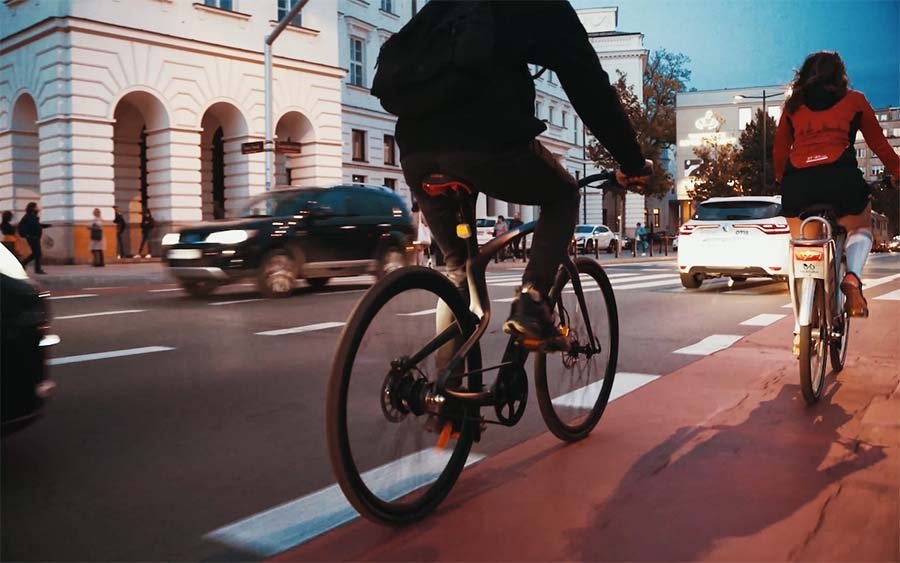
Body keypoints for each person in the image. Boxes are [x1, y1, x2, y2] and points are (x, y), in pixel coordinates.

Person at [395, 1, 651, 348]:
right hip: (487, 140)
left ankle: (446, 395)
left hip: (415, 149)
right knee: (563, 194)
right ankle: (532, 300)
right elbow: (590, 88)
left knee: (458, 272)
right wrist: (632, 162)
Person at [774, 51, 899, 325]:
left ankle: (800, 325)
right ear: (841, 75)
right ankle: (852, 278)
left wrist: (784, 180)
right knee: (861, 227)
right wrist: (898, 171)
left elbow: (780, 150)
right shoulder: (855, 101)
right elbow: (879, 145)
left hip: (798, 184)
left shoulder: (793, 106)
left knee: (803, 243)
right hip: (840, 181)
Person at [18, 202, 49, 274]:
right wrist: (26, 235)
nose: (38, 208)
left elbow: (36, 226)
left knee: (35, 254)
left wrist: (46, 226)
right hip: (32, 237)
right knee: (38, 253)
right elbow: (24, 227)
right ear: (32, 208)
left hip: (35, 237)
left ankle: (23, 263)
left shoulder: (32, 216)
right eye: (36, 207)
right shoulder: (28, 217)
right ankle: (37, 269)